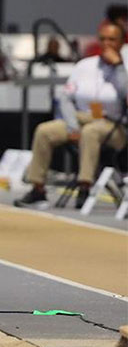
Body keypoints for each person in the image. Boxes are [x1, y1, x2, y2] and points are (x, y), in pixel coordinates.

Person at [16, 23, 127, 210]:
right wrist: (72, 125)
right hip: (82, 117)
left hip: (114, 124)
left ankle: (85, 186)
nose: (106, 43)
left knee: (91, 132)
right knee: (45, 131)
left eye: (111, 39)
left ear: (121, 42)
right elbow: (65, 97)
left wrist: (118, 67)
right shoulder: (85, 65)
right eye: (102, 39)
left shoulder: (125, 66)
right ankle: (38, 188)